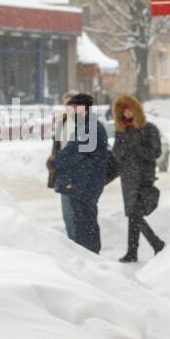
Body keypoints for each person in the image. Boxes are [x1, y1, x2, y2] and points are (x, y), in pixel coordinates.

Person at [51, 92, 110, 253]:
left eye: (74, 107)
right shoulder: (85, 126)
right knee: (82, 223)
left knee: (83, 224)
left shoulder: (90, 128)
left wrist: (56, 162)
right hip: (81, 184)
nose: (71, 111)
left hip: (84, 185)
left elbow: (76, 153)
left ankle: (89, 258)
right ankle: (88, 256)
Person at [111, 93, 165, 263]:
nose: (126, 114)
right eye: (123, 111)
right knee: (132, 214)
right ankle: (134, 251)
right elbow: (116, 152)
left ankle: (155, 243)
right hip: (127, 179)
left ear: (136, 110)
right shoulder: (121, 131)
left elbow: (155, 152)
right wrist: (121, 152)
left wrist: (136, 149)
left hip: (144, 177)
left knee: (135, 214)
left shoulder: (149, 129)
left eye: (129, 110)